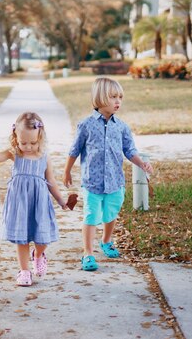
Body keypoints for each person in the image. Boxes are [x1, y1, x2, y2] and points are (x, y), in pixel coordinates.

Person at [63, 77, 153, 271]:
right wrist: (67, 171)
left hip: (114, 181)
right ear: (100, 98)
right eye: (113, 97)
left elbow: (130, 151)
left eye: (120, 97)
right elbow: (74, 150)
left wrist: (142, 164)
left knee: (111, 213)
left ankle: (106, 241)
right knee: (90, 216)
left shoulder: (121, 127)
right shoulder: (85, 125)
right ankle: (88, 253)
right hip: (92, 182)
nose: (117, 101)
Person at [0, 112, 68, 286]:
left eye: (33, 143)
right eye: (23, 142)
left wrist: (61, 201)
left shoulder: (44, 157)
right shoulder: (15, 153)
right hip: (20, 203)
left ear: (40, 137)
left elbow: (51, 181)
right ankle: (24, 270)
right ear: (15, 138)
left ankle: (38, 254)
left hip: (39, 203)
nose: (27, 147)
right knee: (22, 238)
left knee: (43, 239)